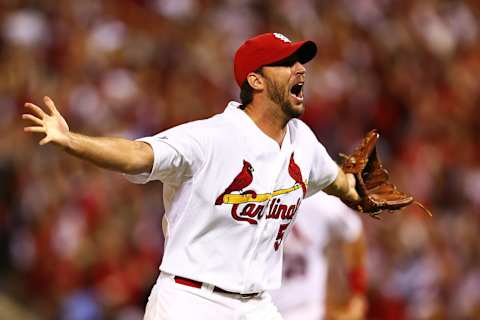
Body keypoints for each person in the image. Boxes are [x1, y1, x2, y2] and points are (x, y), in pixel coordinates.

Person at [23, 33, 360, 320]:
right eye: (287, 63)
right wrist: (71, 141)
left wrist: (353, 190)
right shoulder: (211, 137)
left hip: (257, 305)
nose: (300, 69)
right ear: (255, 80)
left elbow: (336, 181)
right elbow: (137, 155)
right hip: (191, 300)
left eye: (300, 62)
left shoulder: (304, 141)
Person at [269, 191, 367, 320]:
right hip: (259, 307)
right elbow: (354, 233)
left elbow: (353, 233)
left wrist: (357, 292)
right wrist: (357, 292)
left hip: (304, 309)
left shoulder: (319, 200)